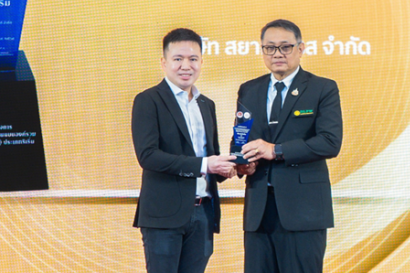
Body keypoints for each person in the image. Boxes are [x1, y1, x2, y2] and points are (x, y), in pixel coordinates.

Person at [236, 19, 343, 273]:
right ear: (262, 50)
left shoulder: (322, 88)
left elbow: (330, 142)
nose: (277, 54)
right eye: (270, 48)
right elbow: (240, 139)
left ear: (301, 48)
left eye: (285, 47)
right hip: (259, 212)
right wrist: (243, 163)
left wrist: (276, 150)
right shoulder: (249, 90)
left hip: (303, 211)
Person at [132, 28, 236, 273]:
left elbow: (210, 155)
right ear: (164, 62)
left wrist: (230, 167)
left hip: (203, 213)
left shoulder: (206, 104)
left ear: (201, 62)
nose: (186, 66)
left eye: (193, 59)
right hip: (164, 215)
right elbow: (148, 156)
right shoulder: (148, 100)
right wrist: (205, 165)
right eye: (178, 59)